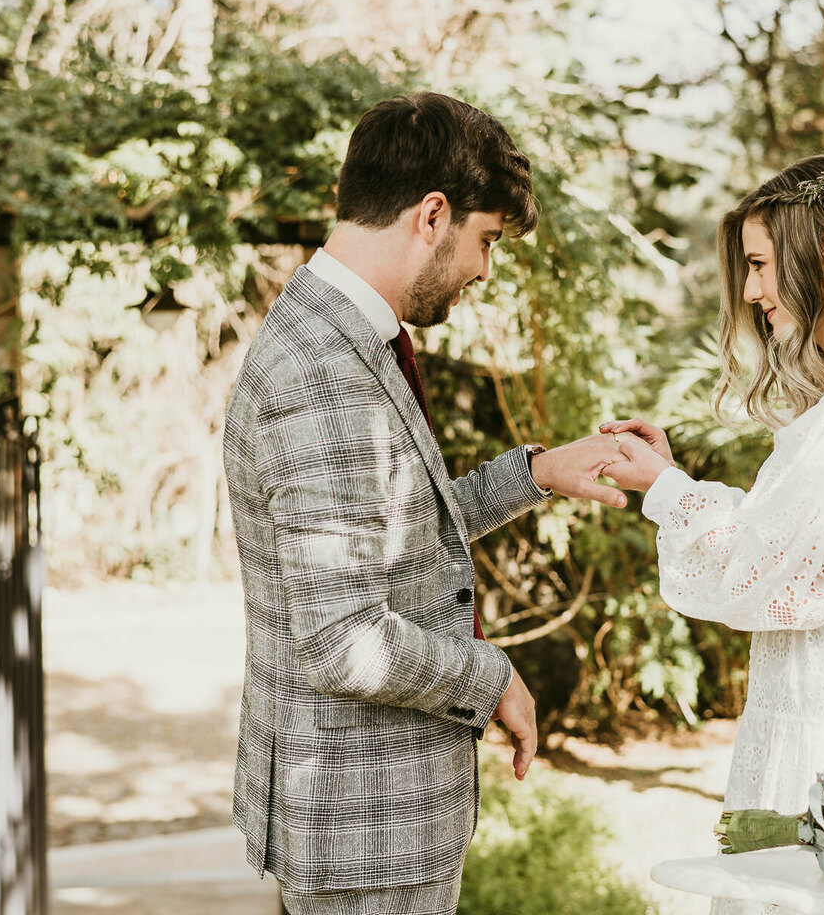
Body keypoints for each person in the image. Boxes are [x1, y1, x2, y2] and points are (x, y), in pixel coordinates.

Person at [223, 91, 630, 915]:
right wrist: (494, 676)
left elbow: (406, 526)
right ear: (432, 214)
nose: (485, 269)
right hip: (366, 832)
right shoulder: (323, 375)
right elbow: (343, 639)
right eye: (486, 242)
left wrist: (540, 472)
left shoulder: (338, 333)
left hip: (372, 823)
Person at [604, 155, 824, 915]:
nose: (754, 291)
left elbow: (765, 575)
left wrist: (663, 493)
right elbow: (791, 534)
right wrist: (674, 477)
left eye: (762, 264)